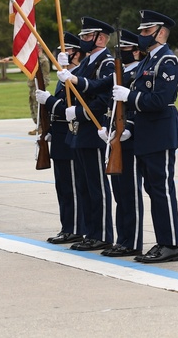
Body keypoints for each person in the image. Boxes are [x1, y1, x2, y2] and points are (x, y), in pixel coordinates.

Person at [112, 9, 178, 263]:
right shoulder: (146, 61)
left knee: (162, 189)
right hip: (145, 132)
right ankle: (162, 241)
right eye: (141, 31)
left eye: (146, 31)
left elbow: (160, 99)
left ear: (161, 32)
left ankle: (170, 244)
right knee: (153, 189)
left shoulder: (167, 61)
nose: (142, 35)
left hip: (160, 131)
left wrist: (129, 97)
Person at [44, 17, 116, 252]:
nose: (84, 39)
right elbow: (72, 93)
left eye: (88, 36)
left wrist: (78, 111)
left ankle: (102, 234)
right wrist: (68, 71)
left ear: (101, 38)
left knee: (97, 186)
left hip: (93, 129)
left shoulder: (106, 63)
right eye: (83, 36)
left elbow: (102, 97)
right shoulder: (88, 63)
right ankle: (90, 232)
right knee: (85, 186)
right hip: (79, 132)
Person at [36, 33, 86, 245]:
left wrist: (49, 102)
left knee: (72, 187)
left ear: (77, 54)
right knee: (63, 186)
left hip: (71, 136)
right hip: (59, 136)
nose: (59, 55)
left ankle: (75, 228)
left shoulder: (77, 76)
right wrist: (49, 131)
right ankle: (67, 226)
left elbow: (72, 107)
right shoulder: (64, 75)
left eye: (66, 52)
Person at [102, 29, 143, 258]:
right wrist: (105, 128)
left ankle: (133, 241)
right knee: (120, 193)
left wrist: (129, 128)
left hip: (130, 139)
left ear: (136, 51)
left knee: (130, 193)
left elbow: (136, 106)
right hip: (115, 138)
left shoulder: (138, 72)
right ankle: (123, 239)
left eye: (124, 49)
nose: (120, 53)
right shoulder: (120, 74)